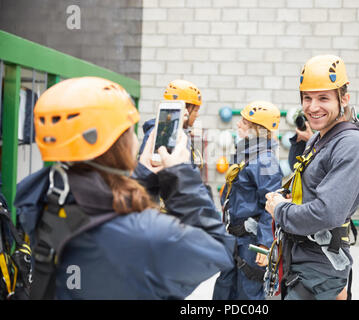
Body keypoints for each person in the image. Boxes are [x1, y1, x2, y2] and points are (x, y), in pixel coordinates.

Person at [14, 77, 235, 299]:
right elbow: (219, 248)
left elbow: (98, 208)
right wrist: (181, 175)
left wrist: (142, 176)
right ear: (118, 143)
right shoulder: (148, 233)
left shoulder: (43, 197)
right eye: (129, 130)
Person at [264, 55, 359, 300]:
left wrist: (281, 210)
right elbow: (310, 179)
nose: (313, 107)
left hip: (319, 267)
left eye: (323, 98)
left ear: (344, 98)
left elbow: (327, 213)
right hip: (303, 260)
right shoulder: (321, 136)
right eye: (307, 98)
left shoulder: (350, 144)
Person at [213, 101, 283, 300]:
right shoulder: (247, 155)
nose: (238, 125)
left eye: (245, 122)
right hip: (234, 237)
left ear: (259, 130)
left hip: (251, 241)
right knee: (225, 288)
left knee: (248, 292)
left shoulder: (266, 161)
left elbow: (271, 206)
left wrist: (264, 244)